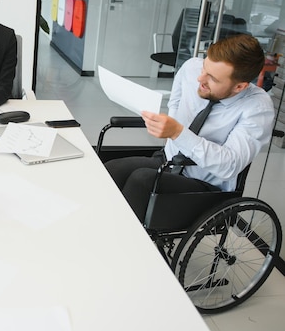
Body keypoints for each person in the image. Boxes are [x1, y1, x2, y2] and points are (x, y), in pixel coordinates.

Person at [105, 34, 274, 222]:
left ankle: (121, 242)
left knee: (142, 180)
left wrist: (178, 132)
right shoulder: (191, 67)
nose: (200, 78)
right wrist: (169, 126)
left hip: (204, 184)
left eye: (213, 78)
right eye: (205, 68)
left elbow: (230, 166)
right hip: (169, 161)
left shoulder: (257, 108)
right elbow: (176, 101)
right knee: (113, 170)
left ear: (239, 87)